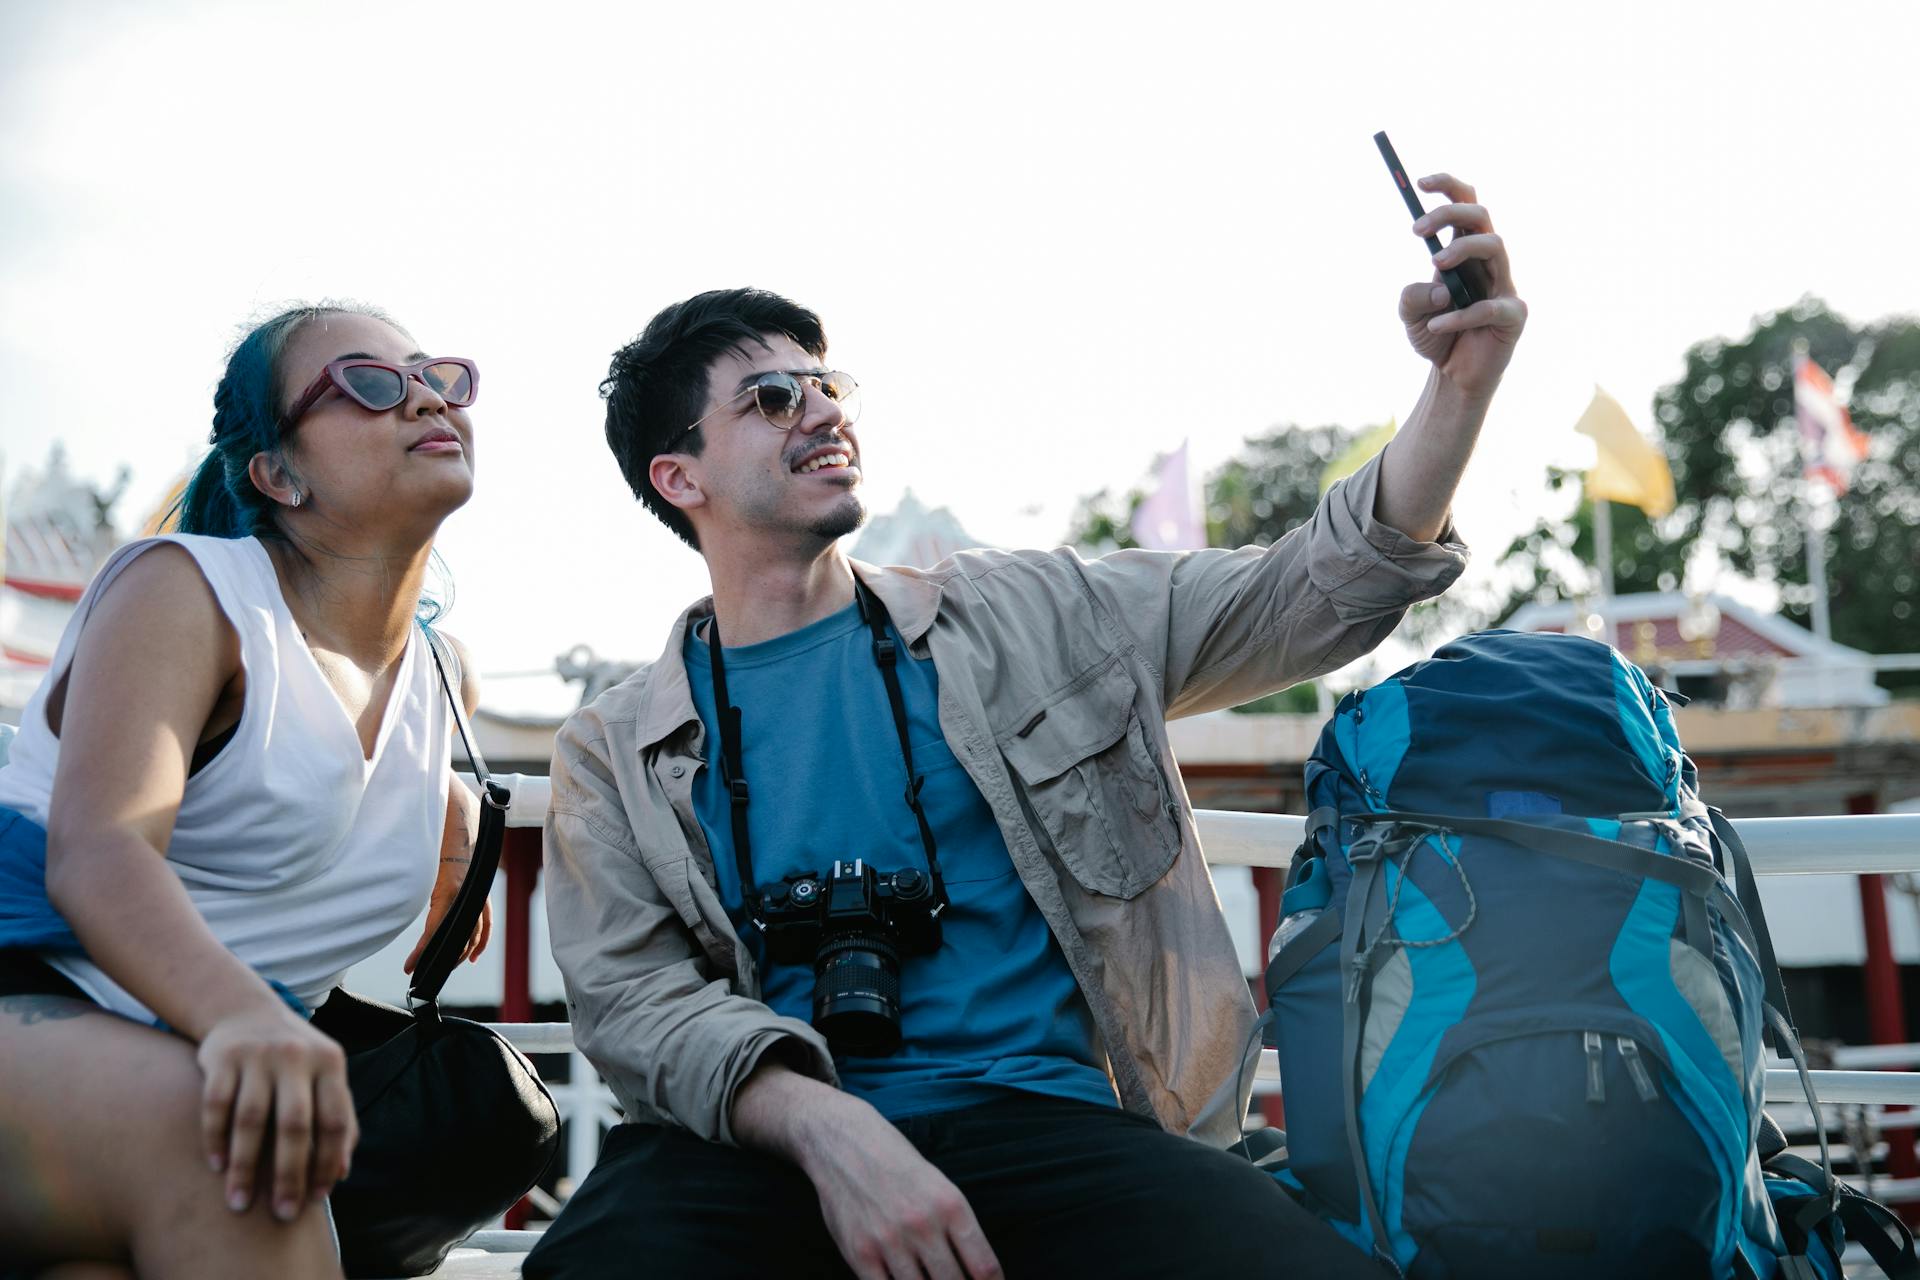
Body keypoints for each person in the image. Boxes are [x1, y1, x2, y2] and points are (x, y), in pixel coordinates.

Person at [529, 173, 1526, 1280]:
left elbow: (1317, 588)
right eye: (770, 398)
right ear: (681, 477)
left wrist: (1463, 383)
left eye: (826, 384)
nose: (822, 409)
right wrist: (828, 1126)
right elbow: (635, 1003)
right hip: (770, 1142)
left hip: (1052, 1124)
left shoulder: (1034, 615)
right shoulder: (613, 750)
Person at [0, 304, 489, 1280]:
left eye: (439, 374)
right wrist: (249, 1016)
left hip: (184, 1064)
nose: (427, 395)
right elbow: (99, 850)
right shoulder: (188, 590)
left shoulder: (443, 680)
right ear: (278, 473)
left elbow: (330, 778)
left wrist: (453, 807)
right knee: (239, 1168)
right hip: (39, 996)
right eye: (370, 383)